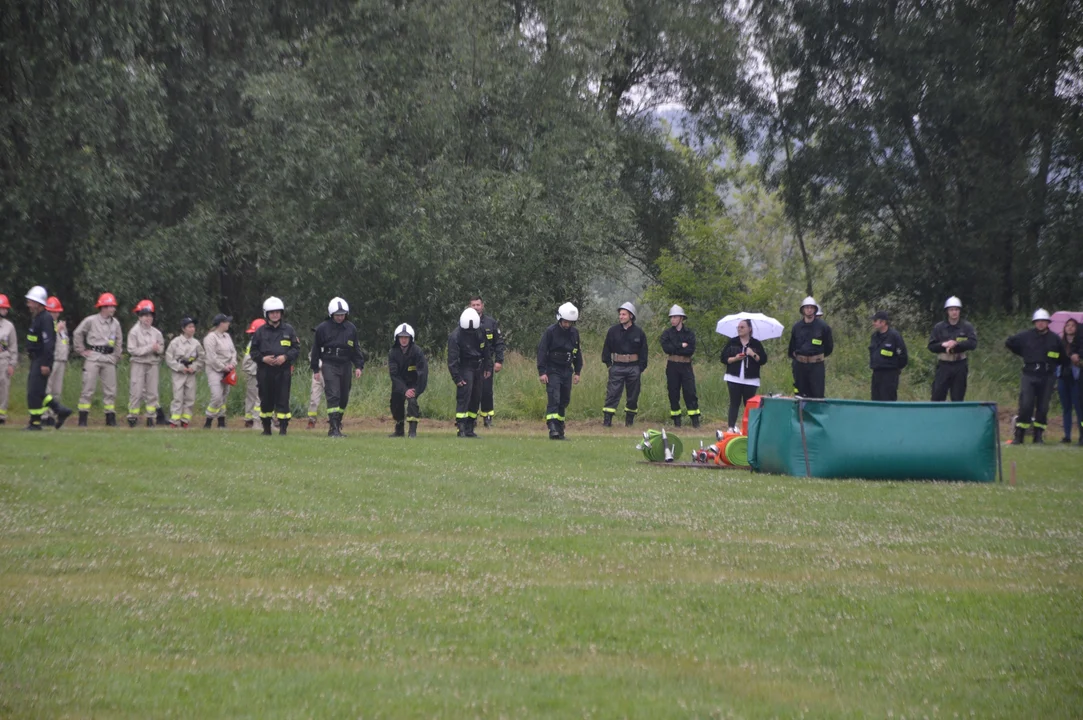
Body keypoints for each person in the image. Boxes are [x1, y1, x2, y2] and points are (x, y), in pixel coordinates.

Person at [1006, 309, 1063, 445]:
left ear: (1048, 323)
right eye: (1038, 321)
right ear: (1034, 323)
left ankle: (1038, 435)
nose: (1041, 324)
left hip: (1047, 376)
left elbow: (1062, 357)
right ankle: (1019, 434)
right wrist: (1024, 353)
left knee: (1043, 407)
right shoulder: (1026, 336)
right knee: (1026, 405)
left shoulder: (1054, 338)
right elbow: (1009, 342)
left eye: (1044, 321)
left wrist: (1052, 365)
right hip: (1029, 374)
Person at [311, 297, 365, 438]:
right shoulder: (322, 328)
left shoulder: (351, 328)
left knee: (343, 397)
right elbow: (316, 349)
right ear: (331, 314)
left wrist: (359, 366)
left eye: (342, 314)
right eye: (337, 315)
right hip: (329, 364)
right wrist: (315, 369)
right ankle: (333, 428)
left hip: (345, 364)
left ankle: (338, 423)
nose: (340, 317)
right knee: (333, 394)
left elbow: (355, 348)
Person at [22, 286, 73, 430]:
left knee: (34, 392)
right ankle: (56, 412)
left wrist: (45, 363)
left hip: (41, 360)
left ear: (38, 303)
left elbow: (48, 343)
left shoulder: (45, 319)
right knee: (36, 392)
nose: (28, 305)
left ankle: (38, 421)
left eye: (30, 302)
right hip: (36, 359)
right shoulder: (38, 318)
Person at [250, 296, 300, 435]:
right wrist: (263, 359)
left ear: (281, 313)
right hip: (265, 371)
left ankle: (283, 429)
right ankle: (266, 429)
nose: (275, 314)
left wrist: (285, 357)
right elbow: (253, 351)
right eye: (272, 312)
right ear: (267, 314)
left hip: (283, 371)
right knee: (266, 400)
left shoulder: (289, 330)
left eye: (277, 312)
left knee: (283, 399)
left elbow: (296, 349)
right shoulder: (260, 332)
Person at [73, 292, 123, 426]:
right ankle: (83, 419)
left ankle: (110, 418)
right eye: (111, 306)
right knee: (88, 388)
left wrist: (116, 356)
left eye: (113, 306)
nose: (113, 309)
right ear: (103, 307)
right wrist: (81, 350)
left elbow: (119, 340)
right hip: (93, 356)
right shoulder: (91, 320)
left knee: (110, 389)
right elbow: (78, 333)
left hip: (109, 358)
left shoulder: (115, 323)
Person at [537, 302, 582, 439]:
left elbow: (577, 352)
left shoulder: (574, 333)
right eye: (565, 322)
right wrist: (542, 372)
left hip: (567, 369)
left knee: (564, 399)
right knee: (554, 397)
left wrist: (578, 372)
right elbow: (542, 351)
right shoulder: (550, 332)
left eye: (570, 322)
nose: (567, 325)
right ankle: (552, 427)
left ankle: (560, 427)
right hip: (553, 369)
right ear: (560, 319)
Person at [601, 301, 648, 427]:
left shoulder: (639, 332)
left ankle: (629, 421)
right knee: (612, 393)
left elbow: (644, 352)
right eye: (620, 314)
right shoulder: (613, 331)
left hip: (634, 367)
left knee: (633, 396)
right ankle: (607, 421)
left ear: (631, 316)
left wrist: (640, 368)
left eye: (624, 314)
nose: (621, 317)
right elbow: (606, 350)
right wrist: (609, 365)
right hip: (617, 366)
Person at [448, 307, 492, 438]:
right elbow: (452, 359)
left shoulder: (480, 331)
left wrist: (487, 367)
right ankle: (460, 427)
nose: (470, 332)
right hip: (465, 367)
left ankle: (470, 428)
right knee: (464, 397)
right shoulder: (455, 336)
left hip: (478, 366)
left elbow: (487, 351)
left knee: (476, 397)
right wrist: (457, 377)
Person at [720, 319, 768, 432]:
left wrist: (753, 354)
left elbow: (763, 360)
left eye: (742, 327)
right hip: (733, 377)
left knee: (749, 405)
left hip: (751, 380)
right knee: (734, 403)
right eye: (738, 327)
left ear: (749, 329)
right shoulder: (732, 342)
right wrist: (735, 358)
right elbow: (723, 358)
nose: (739, 329)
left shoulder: (756, 343)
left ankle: (748, 428)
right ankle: (731, 427)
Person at [928, 296, 978, 402]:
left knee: (958, 396)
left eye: (956, 309)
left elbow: (973, 344)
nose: (954, 312)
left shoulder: (967, 327)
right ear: (947, 311)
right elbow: (931, 346)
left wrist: (957, 344)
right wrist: (943, 345)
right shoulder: (939, 327)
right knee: (937, 395)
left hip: (960, 364)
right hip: (944, 365)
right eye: (951, 310)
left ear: (959, 311)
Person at [126, 300, 165, 428]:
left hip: (152, 364)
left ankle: (151, 417)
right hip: (138, 364)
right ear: (139, 316)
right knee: (136, 391)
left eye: (150, 315)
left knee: (152, 392)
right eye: (145, 315)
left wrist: (157, 349)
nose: (148, 318)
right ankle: (133, 417)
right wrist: (150, 348)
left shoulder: (157, 333)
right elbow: (132, 350)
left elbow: (161, 348)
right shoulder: (134, 332)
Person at [660, 304, 700, 427]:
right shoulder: (666, 333)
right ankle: (677, 420)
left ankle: (695, 420)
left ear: (681, 318)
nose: (672, 320)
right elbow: (667, 349)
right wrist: (681, 345)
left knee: (690, 392)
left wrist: (676, 347)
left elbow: (690, 350)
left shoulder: (689, 334)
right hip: (672, 366)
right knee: (673, 392)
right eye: (671, 317)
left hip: (686, 366)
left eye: (675, 317)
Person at [469, 296, 506, 428]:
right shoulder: (465, 322)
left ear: (482, 306)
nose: (475, 307)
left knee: (486, 391)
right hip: (471, 362)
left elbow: (499, 343)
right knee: (471, 390)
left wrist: (499, 361)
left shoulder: (491, 323)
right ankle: (471, 418)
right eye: (473, 305)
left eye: (478, 305)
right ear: (469, 306)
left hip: (487, 362)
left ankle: (487, 417)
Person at [787, 296, 833, 398]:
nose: (809, 310)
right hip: (800, 366)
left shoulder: (823, 326)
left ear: (815, 309)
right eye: (807, 307)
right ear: (803, 310)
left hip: (816, 366)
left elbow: (829, 347)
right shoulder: (797, 327)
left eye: (811, 307)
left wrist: (816, 357)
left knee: (817, 395)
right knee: (800, 395)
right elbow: (792, 348)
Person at [388, 323, 428, 438]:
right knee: (395, 404)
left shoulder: (417, 352)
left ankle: (412, 431)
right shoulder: (393, 353)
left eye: (406, 337)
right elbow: (394, 375)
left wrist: (415, 390)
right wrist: (404, 390)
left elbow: (423, 373)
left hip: (414, 383)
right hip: (399, 384)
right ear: (397, 338)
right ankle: (399, 430)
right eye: (401, 337)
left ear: (411, 338)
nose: (404, 340)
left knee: (412, 402)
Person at [165, 317, 205, 428]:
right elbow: (169, 358)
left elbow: (201, 358)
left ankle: (185, 420)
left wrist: (194, 367)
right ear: (183, 329)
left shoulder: (196, 343)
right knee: (178, 396)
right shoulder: (175, 342)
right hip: (178, 372)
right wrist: (180, 367)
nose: (192, 329)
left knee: (190, 397)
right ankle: (175, 419)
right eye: (189, 327)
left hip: (190, 373)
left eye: (193, 327)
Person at [202, 314, 237, 428]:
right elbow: (212, 357)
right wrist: (223, 367)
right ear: (221, 323)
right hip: (215, 370)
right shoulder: (210, 338)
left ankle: (221, 420)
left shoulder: (227, 336)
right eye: (227, 322)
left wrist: (232, 363)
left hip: (228, 370)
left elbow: (233, 352)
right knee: (216, 395)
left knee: (224, 395)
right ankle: (208, 420)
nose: (228, 324)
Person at [868, 311, 908, 401]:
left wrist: (895, 368)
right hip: (876, 373)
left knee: (888, 400)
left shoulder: (894, 336)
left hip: (890, 374)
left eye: (875, 320)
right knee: (875, 400)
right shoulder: (874, 336)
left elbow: (902, 356)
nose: (873, 323)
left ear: (883, 322)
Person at [41, 296, 68, 427]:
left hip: (61, 360)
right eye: (53, 311)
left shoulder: (61, 326)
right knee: (47, 388)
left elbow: (64, 342)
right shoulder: (45, 325)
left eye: (57, 311)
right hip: (50, 360)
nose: (56, 314)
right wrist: (57, 330)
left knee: (57, 390)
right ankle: (44, 415)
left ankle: (53, 414)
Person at [1055, 317, 1082, 443]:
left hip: (1076, 379)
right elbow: (1054, 359)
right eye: (1067, 325)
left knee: (1079, 408)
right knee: (1066, 408)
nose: (1070, 327)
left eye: (1073, 325)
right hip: (1063, 378)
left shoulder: (1080, 344)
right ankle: (1067, 435)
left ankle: (1081, 435)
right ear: (1064, 328)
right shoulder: (1060, 344)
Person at [241, 318, 265, 428]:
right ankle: (255, 420)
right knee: (258, 397)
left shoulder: (253, 342)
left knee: (251, 397)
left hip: (251, 371)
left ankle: (249, 419)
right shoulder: (257, 343)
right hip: (255, 372)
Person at [0, 294, 16, 424]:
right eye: (3, 308)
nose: (6, 310)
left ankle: (1, 416)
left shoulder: (9, 326)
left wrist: (12, 364)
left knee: (3, 388)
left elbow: (13, 347)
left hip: (3, 361)